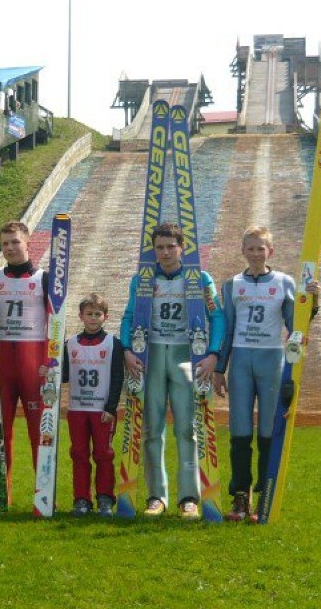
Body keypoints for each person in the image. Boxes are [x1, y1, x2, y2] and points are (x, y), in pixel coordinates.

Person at [212, 226, 319, 522]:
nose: (256, 253)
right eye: (251, 248)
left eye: (262, 248)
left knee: (269, 432)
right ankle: (240, 497)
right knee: (240, 430)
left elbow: (296, 324)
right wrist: (220, 368)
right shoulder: (232, 284)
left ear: (270, 251)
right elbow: (228, 328)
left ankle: (264, 495)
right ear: (243, 251)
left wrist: (313, 301)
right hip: (241, 360)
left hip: (272, 359)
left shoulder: (284, 282)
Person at [120, 222, 225, 520]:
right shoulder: (142, 279)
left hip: (185, 356)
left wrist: (213, 354)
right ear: (154, 250)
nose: (165, 252)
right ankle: (156, 496)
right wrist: (128, 349)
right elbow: (128, 316)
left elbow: (217, 316)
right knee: (151, 429)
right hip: (151, 356)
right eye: (160, 247)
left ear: (182, 247)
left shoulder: (199, 278)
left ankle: (189, 498)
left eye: (171, 246)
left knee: (186, 430)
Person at [0, 221, 48, 505]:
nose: (10, 248)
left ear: (28, 243)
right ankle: (0, 495)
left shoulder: (44, 278)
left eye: (15, 242)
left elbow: (56, 322)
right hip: (0, 363)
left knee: (39, 433)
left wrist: (51, 362)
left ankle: (44, 496)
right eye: (5, 244)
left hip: (33, 364)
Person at [40, 293, 124, 517]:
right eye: (89, 314)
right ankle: (81, 499)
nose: (93, 318)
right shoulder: (70, 344)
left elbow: (117, 378)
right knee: (78, 453)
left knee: (103, 453)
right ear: (81, 316)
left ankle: (105, 498)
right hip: (77, 409)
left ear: (105, 317)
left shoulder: (113, 343)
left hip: (101, 410)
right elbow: (64, 375)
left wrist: (111, 408)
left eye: (98, 314)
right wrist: (49, 372)